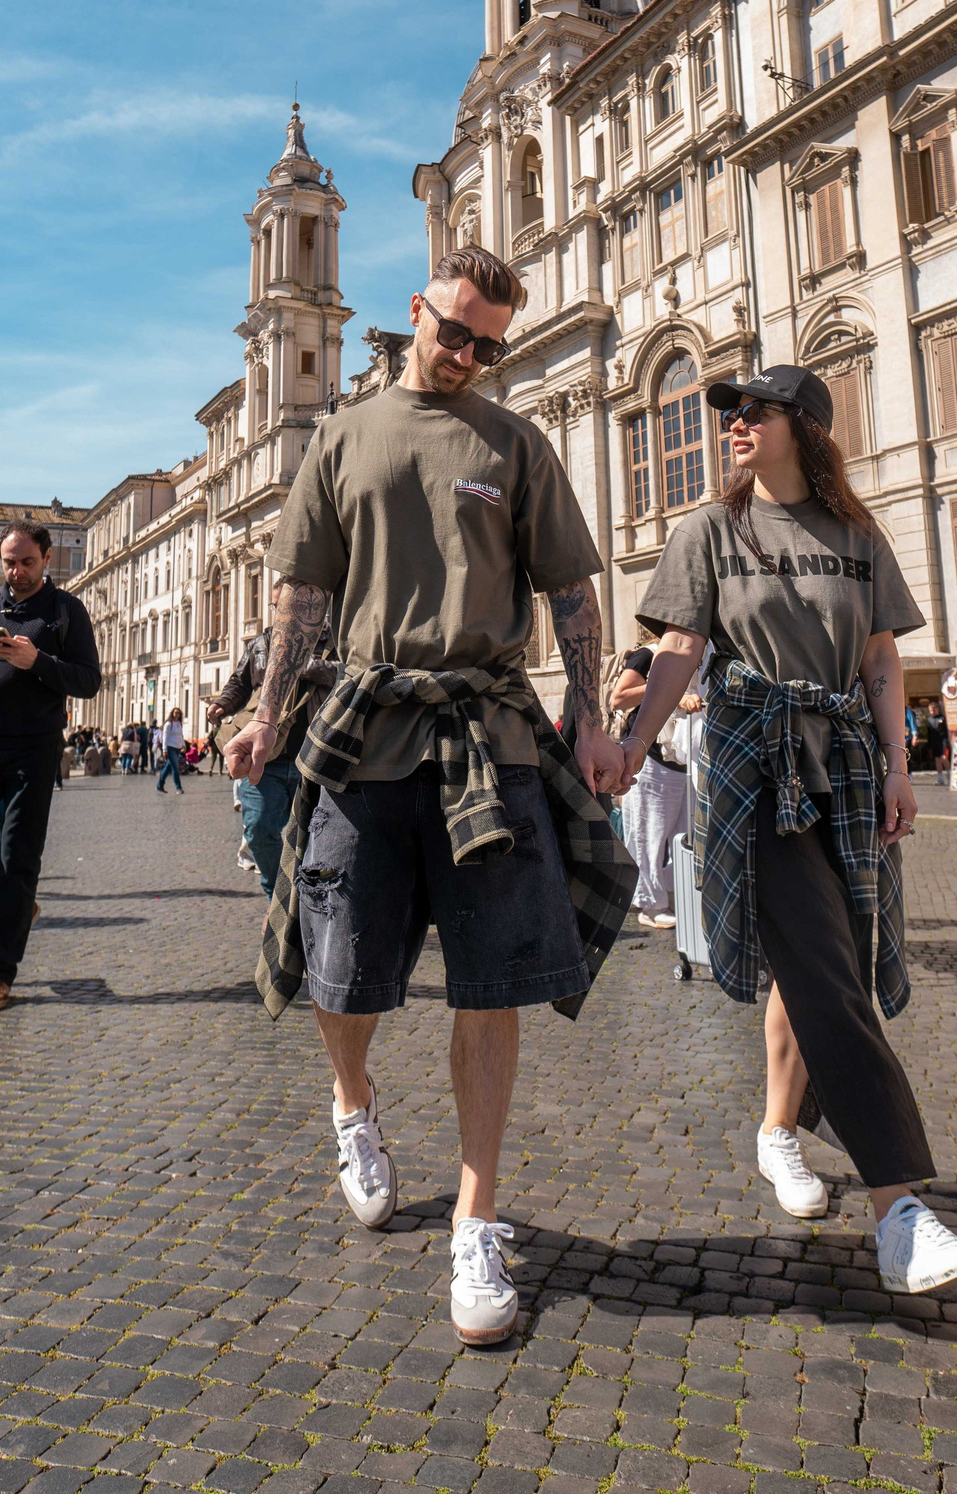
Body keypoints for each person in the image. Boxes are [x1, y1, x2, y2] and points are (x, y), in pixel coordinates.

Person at [236, 245, 634, 1347]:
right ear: (418, 311)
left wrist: (590, 713)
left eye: (488, 344)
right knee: (344, 968)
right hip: (362, 732)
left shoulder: (516, 442)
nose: (466, 354)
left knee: (488, 984)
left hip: (486, 732)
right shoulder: (341, 438)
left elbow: (571, 592)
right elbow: (302, 592)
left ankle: (476, 1211)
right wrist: (269, 710)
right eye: (453, 330)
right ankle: (353, 1104)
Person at [618, 363, 957, 1296]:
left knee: (825, 963)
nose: (734, 425)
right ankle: (899, 1208)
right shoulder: (709, 530)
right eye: (731, 415)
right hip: (757, 766)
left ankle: (780, 1132)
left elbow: (878, 657)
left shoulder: (857, 537)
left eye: (755, 412)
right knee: (824, 966)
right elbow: (678, 651)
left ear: (806, 428)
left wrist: (904, 770)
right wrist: (629, 748)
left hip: (850, 771)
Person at [0, 525, 103, 1012]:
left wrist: (38, 661)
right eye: (9, 562)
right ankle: (16, 906)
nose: (17, 571)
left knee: (17, 859)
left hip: (33, 750)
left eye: (26, 562)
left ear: (46, 558)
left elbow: (90, 681)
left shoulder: (66, 611)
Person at [203, 621, 340, 895]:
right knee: (257, 828)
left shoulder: (335, 637)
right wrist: (223, 703)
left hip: (315, 756)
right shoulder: (261, 643)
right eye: (276, 606)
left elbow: (350, 672)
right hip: (264, 758)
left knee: (320, 839)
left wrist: (308, 667)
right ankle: (278, 896)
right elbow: (240, 682)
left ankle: (308, 905)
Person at [612, 644, 700, 931]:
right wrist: (671, 689)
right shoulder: (648, 654)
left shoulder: (695, 653)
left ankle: (675, 897)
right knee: (650, 834)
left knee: (682, 834)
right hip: (652, 758)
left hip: (681, 758)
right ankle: (649, 904)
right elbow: (619, 697)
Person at [155, 708, 188, 792]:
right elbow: (165, 737)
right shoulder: (169, 724)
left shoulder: (179, 724)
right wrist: (164, 750)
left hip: (177, 747)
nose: (177, 714)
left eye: (178, 713)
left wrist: (183, 745)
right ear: (172, 713)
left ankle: (160, 785)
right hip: (170, 747)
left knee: (168, 767)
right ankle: (178, 788)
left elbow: (181, 735)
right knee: (175, 768)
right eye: (175, 712)